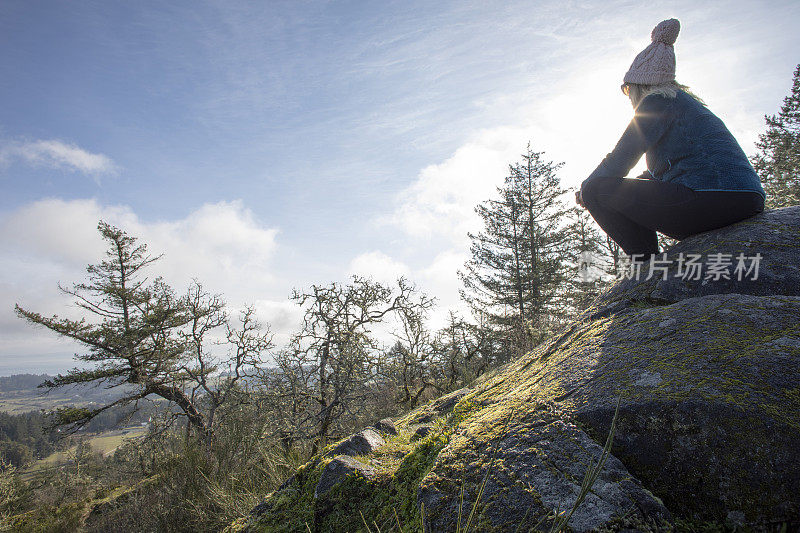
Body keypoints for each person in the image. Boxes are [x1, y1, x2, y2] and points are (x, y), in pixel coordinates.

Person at [576, 18, 766, 263]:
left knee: (596, 188)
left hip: (713, 198)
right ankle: (648, 267)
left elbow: (620, 159)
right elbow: (659, 178)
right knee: (612, 186)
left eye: (627, 91)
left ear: (637, 86)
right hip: (745, 199)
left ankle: (648, 267)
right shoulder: (683, 104)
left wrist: (587, 189)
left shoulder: (657, 102)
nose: (629, 98)